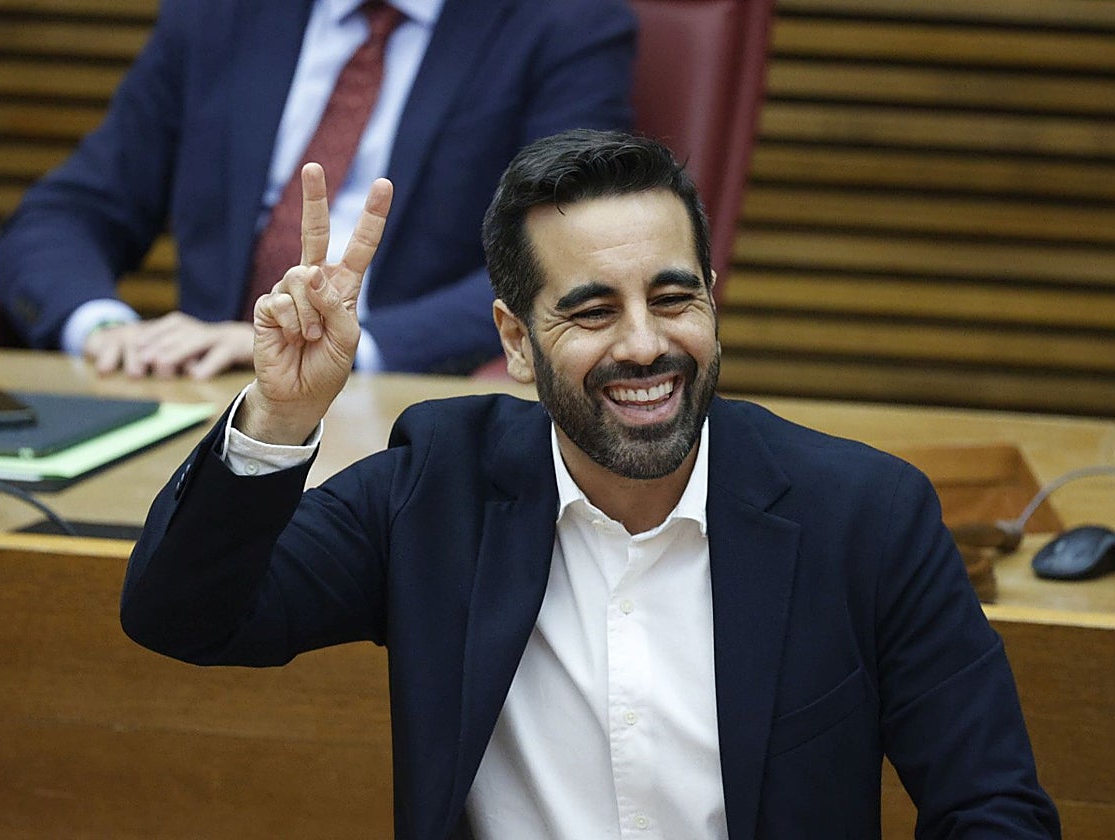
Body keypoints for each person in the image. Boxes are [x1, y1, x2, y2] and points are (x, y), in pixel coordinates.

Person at [121, 130, 1061, 839]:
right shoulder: (435, 490)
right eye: (593, 310)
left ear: (713, 298)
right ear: (516, 343)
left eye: (674, 296)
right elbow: (184, 617)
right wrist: (282, 416)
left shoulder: (866, 516)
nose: (646, 343)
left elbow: (994, 808)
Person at [0, 0, 635, 378]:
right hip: (203, 395)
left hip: (408, 410)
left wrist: (348, 350)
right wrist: (105, 330)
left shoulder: (567, 23)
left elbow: (565, 261)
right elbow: (68, 213)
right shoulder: (221, 15)